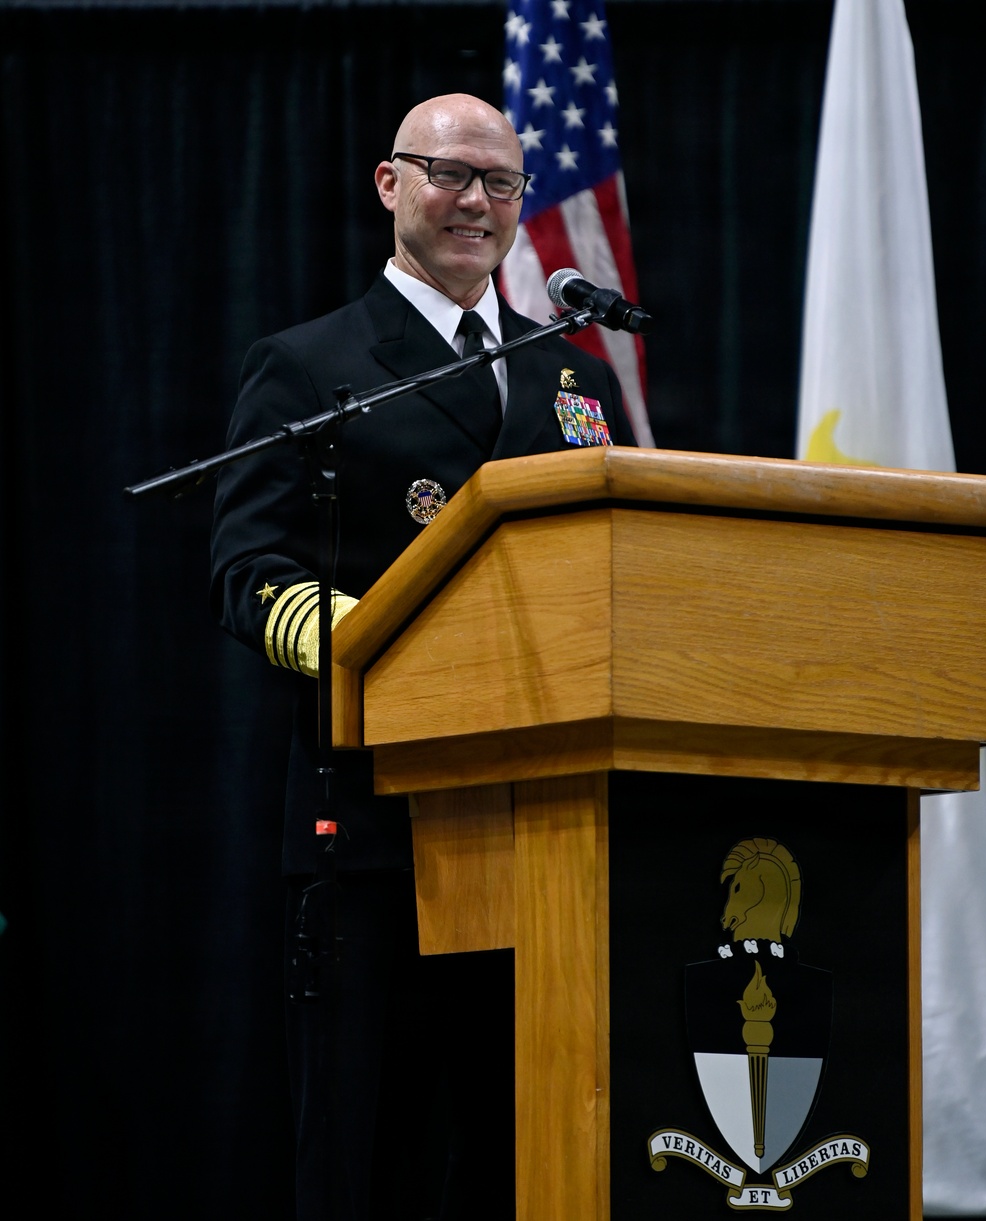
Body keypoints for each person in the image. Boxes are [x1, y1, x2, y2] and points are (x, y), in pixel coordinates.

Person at [210, 93, 636, 1220]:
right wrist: (381, 647)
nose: (477, 205)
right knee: (370, 1164)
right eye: (450, 175)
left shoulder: (573, 380)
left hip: (547, 832)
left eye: (499, 184)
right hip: (378, 830)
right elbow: (247, 570)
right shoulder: (308, 367)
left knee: (530, 1160)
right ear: (389, 185)